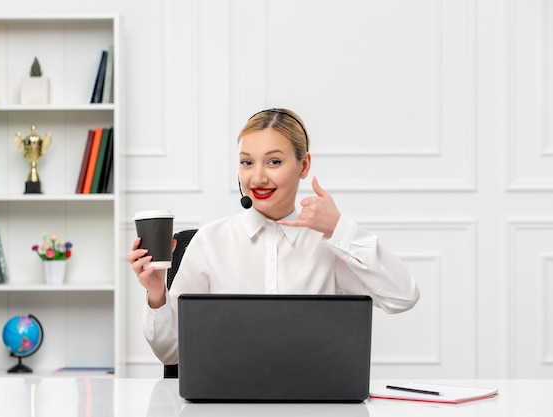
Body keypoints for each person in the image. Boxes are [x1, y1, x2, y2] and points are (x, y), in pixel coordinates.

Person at [127, 108, 420, 365]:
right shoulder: (209, 240)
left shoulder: (328, 243)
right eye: (246, 162)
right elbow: (170, 353)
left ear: (303, 166)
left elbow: (402, 297)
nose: (258, 178)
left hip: (310, 401)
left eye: (274, 162)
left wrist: (339, 228)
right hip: (226, 402)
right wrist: (156, 293)